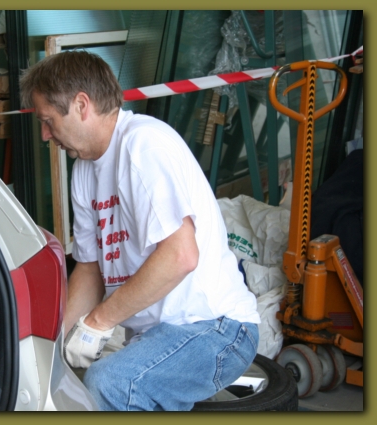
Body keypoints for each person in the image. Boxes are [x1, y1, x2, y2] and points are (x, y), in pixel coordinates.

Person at [19, 50, 260, 411]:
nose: (44, 135)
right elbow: (89, 269)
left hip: (216, 328)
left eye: (48, 121)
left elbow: (181, 255)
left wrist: (98, 322)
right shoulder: (84, 170)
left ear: (81, 105)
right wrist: (52, 348)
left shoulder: (143, 145)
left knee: (111, 384)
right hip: (157, 335)